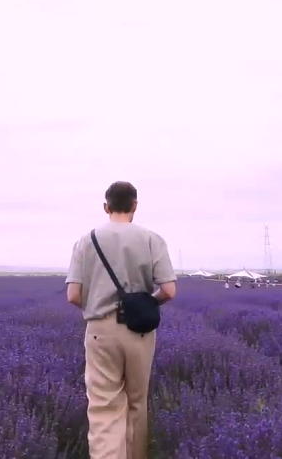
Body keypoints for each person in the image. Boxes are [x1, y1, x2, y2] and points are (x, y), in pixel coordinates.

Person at [65, 181, 177, 459]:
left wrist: (96, 307)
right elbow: (169, 290)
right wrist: (146, 304)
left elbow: (73, 295)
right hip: (139, 331)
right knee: (137, 403)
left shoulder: (86, 241)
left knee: (104, 406)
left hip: (100, 331)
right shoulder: (151, 239)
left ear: (106, 207)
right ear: (135, 206)